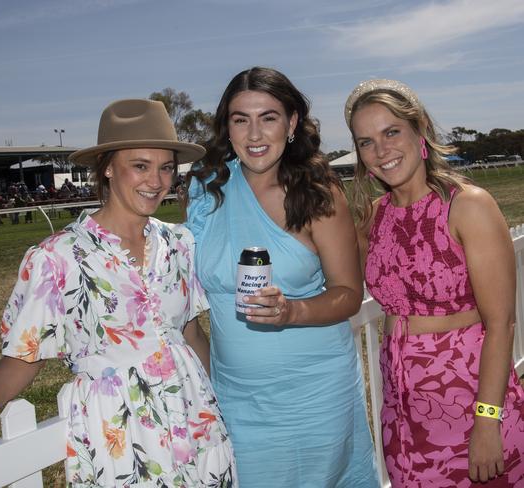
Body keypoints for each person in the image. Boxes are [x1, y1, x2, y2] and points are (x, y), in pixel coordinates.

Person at [0, 99, 237, 487]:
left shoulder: (179, 243)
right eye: (140, 166)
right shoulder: (57, 258)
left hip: (196, 418)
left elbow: (189, 332)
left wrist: (224, 398)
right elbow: (26, 352)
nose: (156, 181)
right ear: (107, 167)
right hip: (121, 432)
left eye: (166, 167)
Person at [186, 66, 379, 487]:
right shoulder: (207, 189)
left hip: (315, 396)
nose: (254, 134)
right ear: (227, 127)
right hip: (235, 396)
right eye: (241, 119)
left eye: (268, 117)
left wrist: (292, 311)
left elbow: (348, 294)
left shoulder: (318, 193)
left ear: (291, 123)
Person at [345, 78, 524, 487]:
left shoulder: (467, 206)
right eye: (366, 142)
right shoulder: (374, 217)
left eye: (391, 132)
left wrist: (487, 421)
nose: (381, 150)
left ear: (419, 127)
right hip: (403, 416)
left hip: (470, 403)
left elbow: (502, 324)